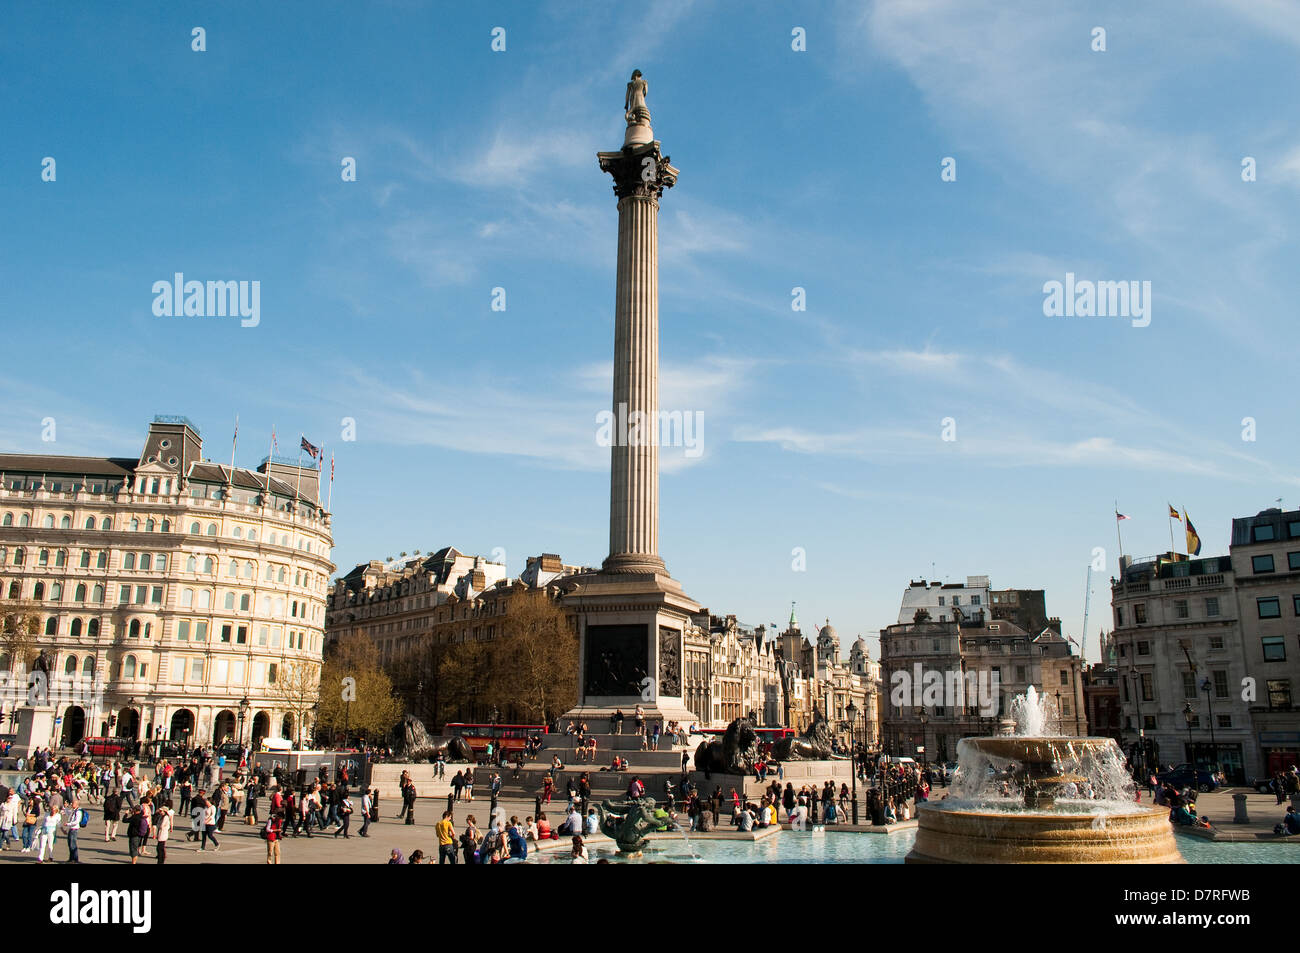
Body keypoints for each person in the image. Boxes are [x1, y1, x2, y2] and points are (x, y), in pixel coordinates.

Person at [153, 800, 172, 864]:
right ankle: (160, 860)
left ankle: (161, 861)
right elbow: (158, 824)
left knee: (160, 848)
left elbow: (161, 825)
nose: (160, 812)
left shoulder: (166, 817)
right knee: (159, 848)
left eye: (161, 811)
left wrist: (159, 826)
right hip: (160, 833)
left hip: (163, 834)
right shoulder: (161, 816)